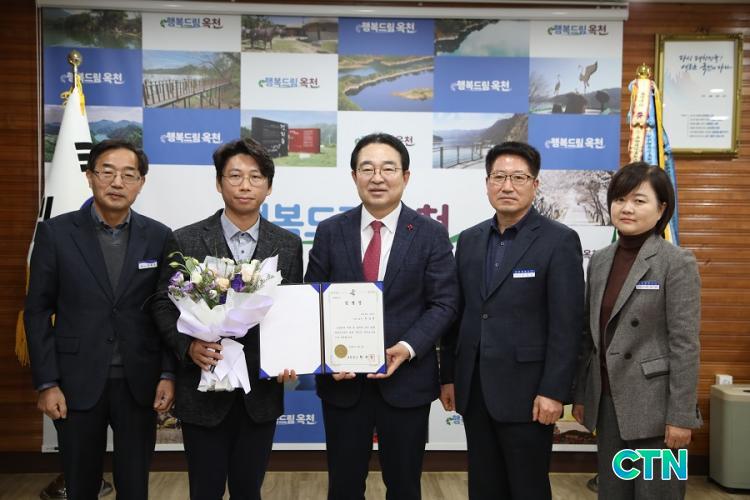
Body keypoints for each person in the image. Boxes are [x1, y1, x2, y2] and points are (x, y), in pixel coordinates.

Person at [305, 133, 458, 500]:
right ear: (354, 176)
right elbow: (313, 300)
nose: (377, 178)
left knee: (404, 486)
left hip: (407, 382)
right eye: (367, 169)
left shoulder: (431, 234)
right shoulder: (330, 231)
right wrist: (326, 356)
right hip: (344, 383)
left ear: (405, 176)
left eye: (388, 169)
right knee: (343, 487)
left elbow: (445, 303)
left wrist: (408, 347)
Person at [151, 137, 303, 500]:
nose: (245, 185)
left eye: (255, 176)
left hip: (260, 393)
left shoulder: (288, 243)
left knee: (249, 489)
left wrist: (290, 358)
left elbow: (292, 309)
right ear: (219, 183)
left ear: (268, 186)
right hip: (202, 389)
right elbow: (162, 303)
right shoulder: (185, 239)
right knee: (204, 490)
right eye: (235, 176)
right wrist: (188, 346)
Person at [25, 139, 176, 499]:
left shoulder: (159, 236)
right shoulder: (56, 234)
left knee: (135, 486)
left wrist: (168, 374)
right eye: (107, 172)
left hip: (139, 383)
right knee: (80, 486)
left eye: (129, 174)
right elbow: (37, 311)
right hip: (74, 383)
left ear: (141, 183)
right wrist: (47, 383)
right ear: (90, 176)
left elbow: (170, 309)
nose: (117, 182)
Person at [439, 141, 584, 499]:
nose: (507, 186)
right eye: (499, 177)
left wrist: (554, 391)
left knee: (527, 488)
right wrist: (449, 376)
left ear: (535, 184)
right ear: (487, 183)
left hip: (529, 394)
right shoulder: (470, 239)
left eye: (518, 177)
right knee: (483, 487)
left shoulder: (559, 241)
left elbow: (567, 326)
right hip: (475, 391)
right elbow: (459, 314)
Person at [572, 162, 701, 499]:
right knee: (612, 493)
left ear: (661, 209)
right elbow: (589, 336)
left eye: (639, 200)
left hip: (657, 409)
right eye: (619, 199)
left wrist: (681, 416)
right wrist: (583, 395)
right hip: (608, 404)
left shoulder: (677, 262)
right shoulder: (600, 260)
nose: (626, 208)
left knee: (659, 494)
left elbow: (685, 345)